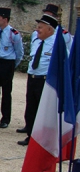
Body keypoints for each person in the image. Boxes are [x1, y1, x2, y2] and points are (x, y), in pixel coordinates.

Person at [19, 13, 65, 146]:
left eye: (40, 27)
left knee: (43, 110)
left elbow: (63, 64)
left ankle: (44, 139)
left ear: (50, 30)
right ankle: (31, 136)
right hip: (33, 78)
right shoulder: (36, 41)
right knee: (31, 109)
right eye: (37, 27)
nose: (37, 29)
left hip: (46, 81)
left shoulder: (58, 44)